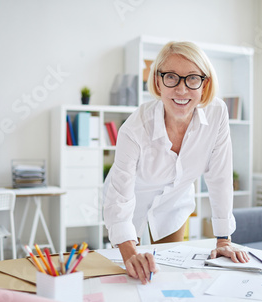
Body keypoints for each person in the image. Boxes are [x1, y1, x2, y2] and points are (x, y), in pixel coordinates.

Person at [103, 41, 249, 284]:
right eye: (171, 77)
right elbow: (120, 200)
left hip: (174, 203)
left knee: (169, 276)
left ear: (205, 84)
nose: (182, 90)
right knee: (134, 275)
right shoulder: (135, 128)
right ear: (158, 81)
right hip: (130, 204)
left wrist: (224, 240)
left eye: (192, 78)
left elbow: (220, 177)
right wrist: (130, 254)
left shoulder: (217, 114)